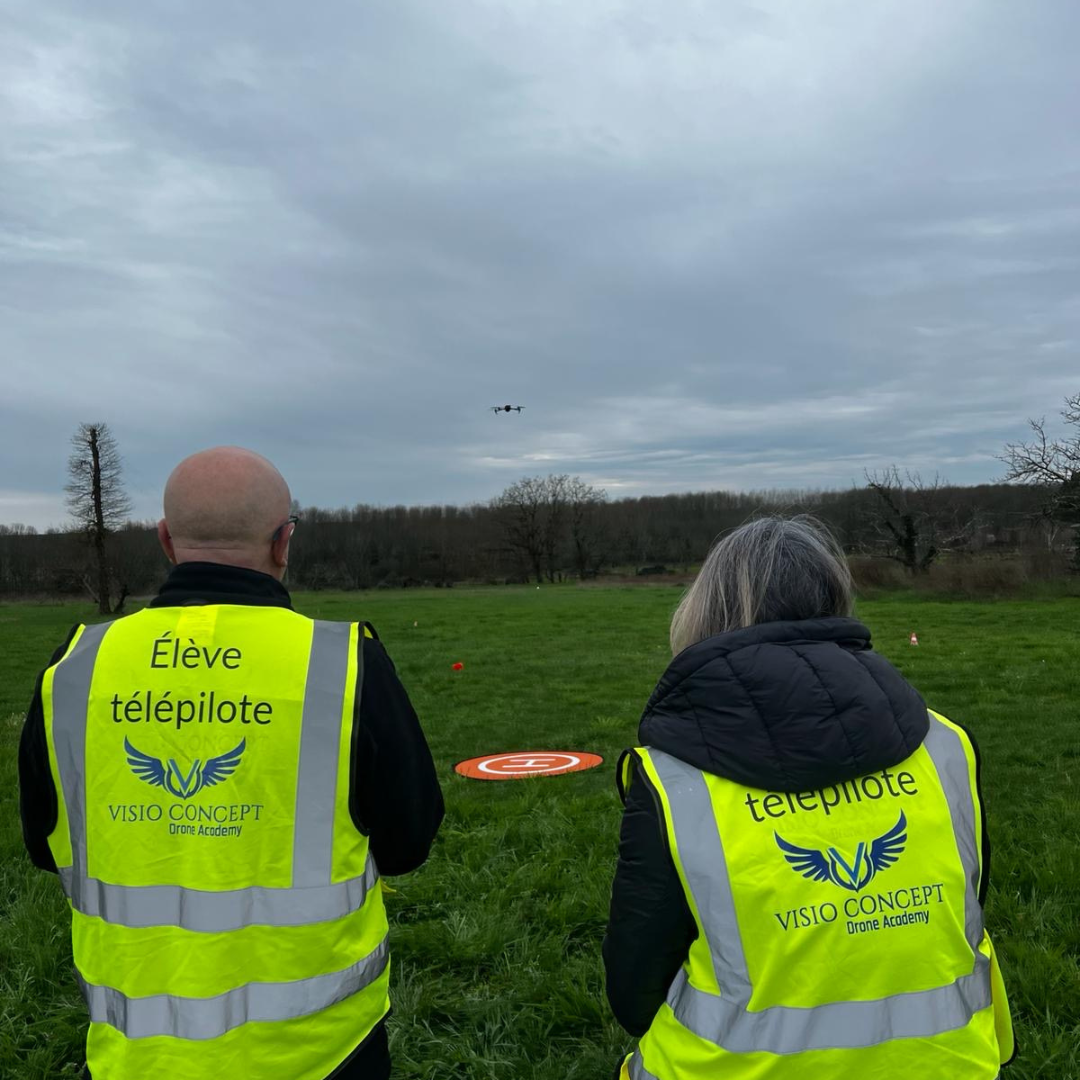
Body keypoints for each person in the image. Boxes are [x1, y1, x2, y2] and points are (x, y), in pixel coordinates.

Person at [18, 446, 444, 1080]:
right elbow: (408, 843)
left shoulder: (74, 669)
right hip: (321, 1051)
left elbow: (43, 844)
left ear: (165, 540)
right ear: (284, 542)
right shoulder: (343, 664)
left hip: (137, 1055)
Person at [603, 516, 1014, 1079]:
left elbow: (632, 993)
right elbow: (966, 902)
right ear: (835, 600)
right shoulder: (945, 745)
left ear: (706, 610)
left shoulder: (672, 777)